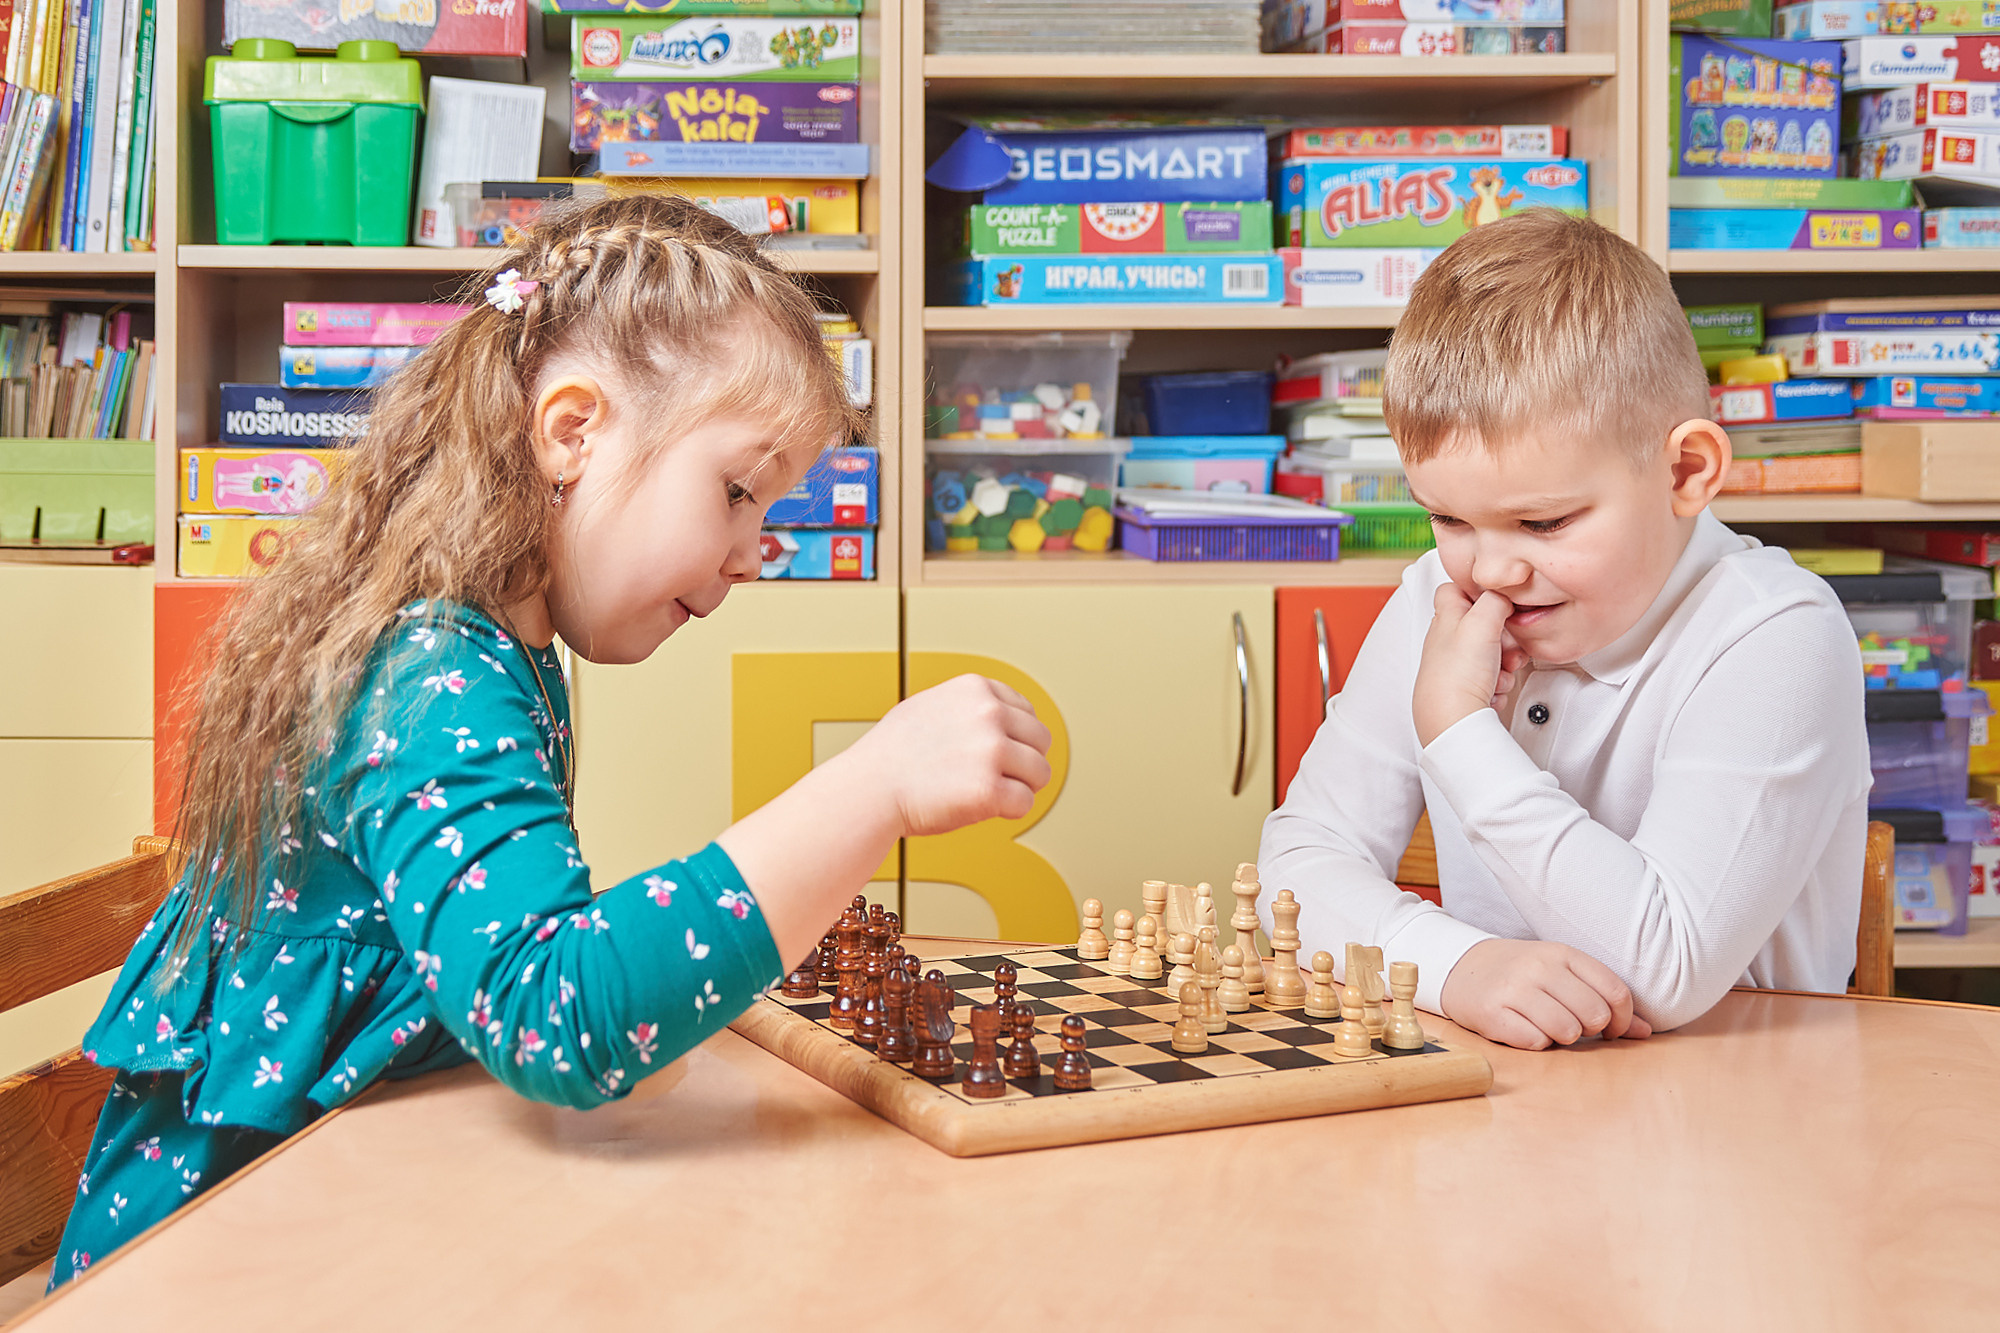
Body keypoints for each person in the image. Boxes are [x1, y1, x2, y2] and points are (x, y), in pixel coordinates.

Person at [50, 196, 1052, 1287]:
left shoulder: (506, 650)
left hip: (354, 1219)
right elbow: (554, 1014)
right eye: (735, 492)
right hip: (210, 1271)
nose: (752, 553)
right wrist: (876, 784)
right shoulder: (430, 675)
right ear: (571, 431)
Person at [1259, 210, 1867, 1052]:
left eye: (1542, 523)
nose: (1489, 570)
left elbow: (1664, 969)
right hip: (1515, 1102)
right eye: (1447, 516)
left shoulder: (1776, 635)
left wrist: (1461, 732)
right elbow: (1297, 860)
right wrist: (1455, 965)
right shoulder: (1438, 598)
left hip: (1744, 1110)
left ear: (1686, 471)